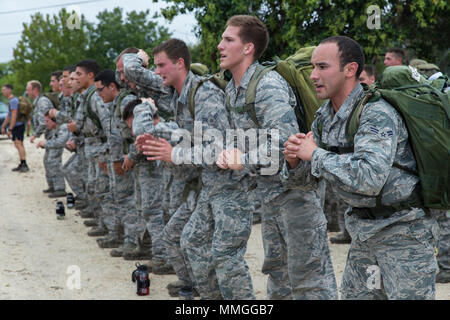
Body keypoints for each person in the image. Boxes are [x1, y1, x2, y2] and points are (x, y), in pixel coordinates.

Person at [282, 35, 439, 299]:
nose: (313, 76)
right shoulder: (324, 117)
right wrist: (295, 161)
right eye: (312, 67)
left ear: (350, 69)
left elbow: (369, 177)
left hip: (404, 235)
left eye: (323, 67)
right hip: (363, 236)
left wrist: (315, 155)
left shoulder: (376, 112)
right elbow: (306, 183)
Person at [213, 15, 337, 300]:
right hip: (270, 195)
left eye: (228, 39)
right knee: (279, 273)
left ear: (248, 48)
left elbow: (287, 143)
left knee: (309, 277)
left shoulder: (267, 85)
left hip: (297, 194)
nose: (220, 45)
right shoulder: (233, 89)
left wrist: (242, 160)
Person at [27, 80, 56, 191]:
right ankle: (52, 186)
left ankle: (58, 188)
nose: (27, 92)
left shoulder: (42, 101)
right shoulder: (38, 101)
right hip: (50, 135)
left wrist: (35, 135)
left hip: (54, 134)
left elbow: (44, 122)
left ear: (35, 90)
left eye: (28, 89)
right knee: (48, 160)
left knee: (52, 161)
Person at [35, 111, 70, 197]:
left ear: (55, 120)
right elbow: (54, 141)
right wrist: (44, 144)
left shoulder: (63, 127)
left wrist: (46, 143)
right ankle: (53, 186)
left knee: (54, 161)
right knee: (48, 160)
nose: (46, 124)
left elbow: (60, 142)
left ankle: (60, 189)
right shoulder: (57, 129)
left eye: (47, 121)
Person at [1, 84, 29, 172]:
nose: (3, 92)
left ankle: (24, 164)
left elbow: (14, 115)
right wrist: (3, 126)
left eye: (4, 89)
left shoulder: (13, 101)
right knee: (18, 144)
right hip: (17, 125)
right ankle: (22, 163)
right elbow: (8, 116)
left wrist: (10, 129)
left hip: (18, 125)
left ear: (10, 90)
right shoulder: (11, 100)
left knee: (18, 143)